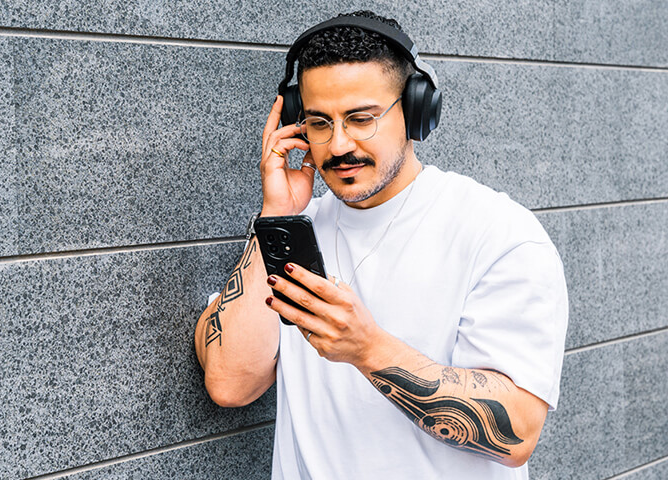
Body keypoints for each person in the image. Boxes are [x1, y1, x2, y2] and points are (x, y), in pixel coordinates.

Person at [192, 10, 570, 479]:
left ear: (415, 111)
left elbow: (518, 433)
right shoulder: (294, 230)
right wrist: (277, 216)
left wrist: (368, 349)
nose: (338, 144)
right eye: (319, 123)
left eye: (361, 118)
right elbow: (231, 383)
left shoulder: (498, 234)